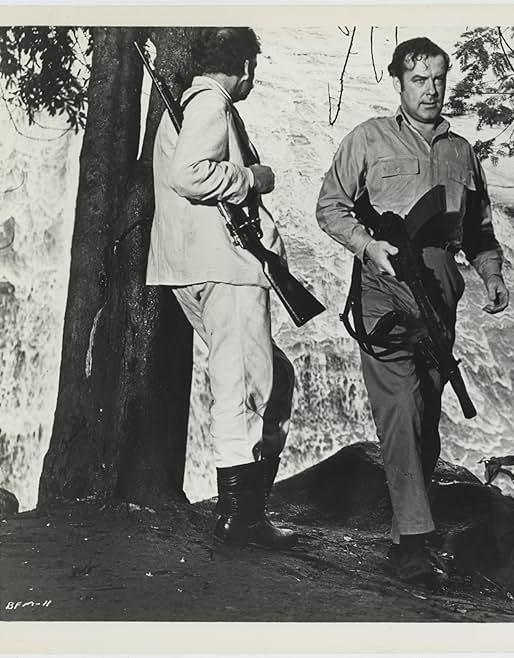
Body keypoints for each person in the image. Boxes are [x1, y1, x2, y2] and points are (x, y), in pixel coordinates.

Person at [316, 37, 509, 585]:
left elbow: (479, 230)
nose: (431, 90)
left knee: (425, 411)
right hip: (385, 286)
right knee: (400, 405)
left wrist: (492, 273)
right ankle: (416, 543)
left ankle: (408, 536)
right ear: (398, 82)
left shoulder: (461, 150)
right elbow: (329, 206)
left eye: (439, 79)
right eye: (419, 79)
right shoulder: (368, 139)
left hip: (441, 291)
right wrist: (366, 245)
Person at [146, 27, 297, 549]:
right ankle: (241, 518)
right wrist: (253, 179)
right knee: (242, 390)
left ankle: (245, 511)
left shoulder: (187, 105)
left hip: (193, 265)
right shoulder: (212, 102)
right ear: (247, 67)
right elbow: (191, 175)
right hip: (225, 268)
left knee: (271, 380)